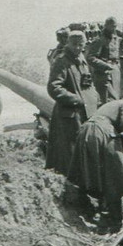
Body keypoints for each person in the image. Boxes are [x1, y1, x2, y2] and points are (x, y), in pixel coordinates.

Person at [66, 96, 123, 231]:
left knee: (90, 173)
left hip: (86, 130)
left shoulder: (112, 105)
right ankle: (114, 221)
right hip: (102, 131)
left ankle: (93, 212)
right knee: (114, 177)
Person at [46, 30, 99, 175]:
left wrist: (95, 97)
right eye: (74, 44)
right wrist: (76, 99)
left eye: (80, 45)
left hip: (85, 113)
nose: (77, 47)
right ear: (68, 43)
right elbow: (53, 87)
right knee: (69, 155)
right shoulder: (62, 61)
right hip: (68, 116)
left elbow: (88, 83)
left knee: (84, 151)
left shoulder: (82, 60)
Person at [87, 16, 122, 102]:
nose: (114, 28)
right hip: (103, 74)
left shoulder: (116, 39)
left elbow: (116, 55)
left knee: (116, 98)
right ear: (106, 26)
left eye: (115, 26)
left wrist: (117, 66)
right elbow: (90, 58)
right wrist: (105, 66)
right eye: (111, 26)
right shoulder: (99, 40)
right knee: (105, 100)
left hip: (115, 72)